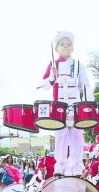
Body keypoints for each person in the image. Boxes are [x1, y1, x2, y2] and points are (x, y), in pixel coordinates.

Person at [38, 31, 93, 177]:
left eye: (68, 44)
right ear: (56, 48)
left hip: (76, 106)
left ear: (73, 48)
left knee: (77, 136)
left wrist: (89, 105)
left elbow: (86, 85)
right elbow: (43, 85)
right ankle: (59, 167)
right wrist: (52, 76)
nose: (66, 46)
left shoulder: (78, 64)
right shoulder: (52, 64)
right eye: (62, 44)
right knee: (60, 136)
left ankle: (76, 167)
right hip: (59, 107)